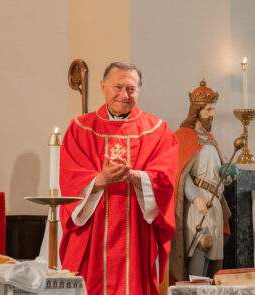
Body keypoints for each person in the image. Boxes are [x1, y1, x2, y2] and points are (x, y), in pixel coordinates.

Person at [59, 62, 178, 295]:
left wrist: (136, 177)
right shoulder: (80, 128)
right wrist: (99, 180)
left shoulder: (157, 130)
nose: (124, 95)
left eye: (131, 89)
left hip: (135, 234)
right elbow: (70, 177)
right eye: (118, 87)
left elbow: (166, 178)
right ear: (103, 86)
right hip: (92, 234)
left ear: (139, 91)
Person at [170, 80, 231, 281]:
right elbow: (180, 174)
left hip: (214, 203)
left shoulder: (211, 140)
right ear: (196, 110)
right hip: (197, 203)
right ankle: (194, 289)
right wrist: (195, 198)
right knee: (200, 244)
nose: (212, 114)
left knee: (213, 252)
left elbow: (221, 176)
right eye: (208, 109)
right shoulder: (184, 136)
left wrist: (228, 172)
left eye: (213, 109)